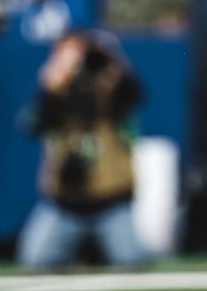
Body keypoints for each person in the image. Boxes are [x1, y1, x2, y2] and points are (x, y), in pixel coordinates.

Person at [16, 31, 149, 270]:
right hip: (64, 203)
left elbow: (135, 93)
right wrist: (50, 84)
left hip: (110, 200)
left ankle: (99, 247)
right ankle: (84, 248)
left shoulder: (110, 86)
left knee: (131, 261)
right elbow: (32, 124)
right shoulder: (55, 91)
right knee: (35, 260)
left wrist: (112, 59)